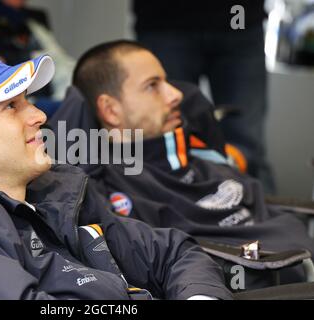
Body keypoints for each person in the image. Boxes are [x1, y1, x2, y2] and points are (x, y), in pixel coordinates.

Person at [0, 53, 232, 300]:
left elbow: (172, 252)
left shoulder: (57, 193)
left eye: (28, 101)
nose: (40, 115)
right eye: (11, 107)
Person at [48, 40, 314, 289]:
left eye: (167, 82)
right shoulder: (107, 187)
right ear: (110, 110)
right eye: (153, 85)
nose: (177, 95)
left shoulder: (196, 152)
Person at [133, 0, 275, 193]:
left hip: (240, 20)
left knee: (247, 146)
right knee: (163, 141)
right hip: (164, 20)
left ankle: (262, 217)